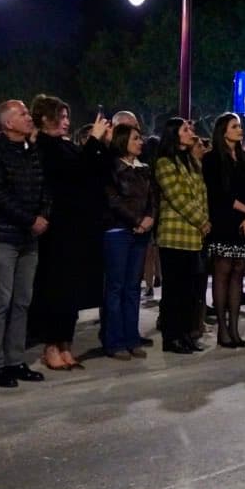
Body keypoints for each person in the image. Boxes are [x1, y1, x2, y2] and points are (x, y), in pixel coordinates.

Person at [30, 97, 108, 371]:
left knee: (72, 290)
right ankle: (51, 345)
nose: (66, 122)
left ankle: (66, 344)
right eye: (60, 117)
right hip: (58, 227)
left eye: (66, 116)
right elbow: (72, 174)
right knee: (57, 289)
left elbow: (92, 174)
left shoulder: (67, 145)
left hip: (78, 227)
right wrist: (93, 142)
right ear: (44, 118)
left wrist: (100, 146)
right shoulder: (43, 147)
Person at [0, 100, 51, 386]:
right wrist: (29, 219)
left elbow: (45, 186)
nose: (28, 117)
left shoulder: (33, 151)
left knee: (22, 301)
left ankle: (16, 359)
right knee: (1, 302)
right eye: (22, 114)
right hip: (4, 236)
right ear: (8, 123)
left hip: (29, 238)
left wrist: (43, 214)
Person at [153, 116, 209, 354]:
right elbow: (178, 198)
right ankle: (171, 337)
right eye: (186, 129)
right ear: (174, 133)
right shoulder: (165, 163)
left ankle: (186, 333)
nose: (191, 132)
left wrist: (204, 220)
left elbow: (201, 194)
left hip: (193, 236)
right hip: (175, 235)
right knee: (174, 291)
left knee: (189, 291)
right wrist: (202, 221)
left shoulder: (191, 161)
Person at [101, 123, 156, 360]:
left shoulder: (143, 169)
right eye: (135, 138)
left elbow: (153, 197)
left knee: (133, 287)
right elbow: (113, 199)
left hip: (141, 232)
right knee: (116, 287)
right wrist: (135, 219)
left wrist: (150, 218)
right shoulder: (112, 168)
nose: (140, 142)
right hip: (118, 231)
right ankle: (114, 340)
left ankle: (132, 337)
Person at [203, 113, 245, 349]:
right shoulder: (212, 159)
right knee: (222, 272)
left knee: (238, 272)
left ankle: (235, 328)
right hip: (224, 221)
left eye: (239, 126)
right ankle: (222, 330)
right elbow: (218, 194)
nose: (239, 129)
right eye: (234, 126)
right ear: (223, 131)